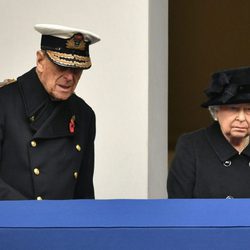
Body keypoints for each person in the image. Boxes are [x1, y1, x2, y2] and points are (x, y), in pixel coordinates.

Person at [0, 24, 100, 200]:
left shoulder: (84, 115)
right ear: (40, 61)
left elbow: (83, 193)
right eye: (61, 67)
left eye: (77, 69)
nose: (70, 77)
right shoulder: (5, 101)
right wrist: (30, 214)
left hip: (60, 224)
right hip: (11, 221)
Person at [167, 66, 250, 198]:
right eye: (233, 109)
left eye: (248, 110)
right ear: (216, 111)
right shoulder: (192, 146)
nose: (241, 118)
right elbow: (178, 206)